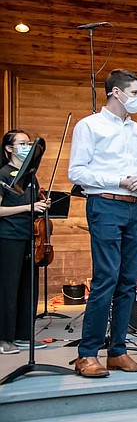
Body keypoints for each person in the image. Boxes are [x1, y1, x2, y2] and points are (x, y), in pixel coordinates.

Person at [69, 68, 137, 377]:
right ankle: (87, 353)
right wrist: (118, 180)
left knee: (129, 280)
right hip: (105, 204)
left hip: (136, 208)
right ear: (116, 93)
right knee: (106, 277)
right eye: (134, 93)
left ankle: (118, 351)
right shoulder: (89, 126)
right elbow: (77, 172)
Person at [0, 131, 51, 355]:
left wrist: (42, 203)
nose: (26, 146)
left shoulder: (30, 175)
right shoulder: (3, 174)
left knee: (28, 289)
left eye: (28, 143)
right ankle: (4, 338)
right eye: (21, 143)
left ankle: (23, 335)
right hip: (8, 236)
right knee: (8, 289)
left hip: (30, 236)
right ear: (9, 148)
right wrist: (28, 208)